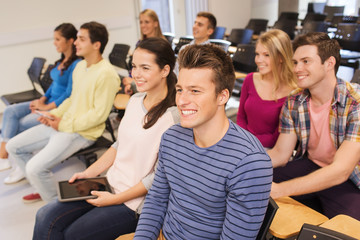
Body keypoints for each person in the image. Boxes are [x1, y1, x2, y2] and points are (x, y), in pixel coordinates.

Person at [33, 37, 179, 240]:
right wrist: (89, 174)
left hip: (134, 204)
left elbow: (157, 178)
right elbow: (119, 145)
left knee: (72, 235)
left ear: (164, 70)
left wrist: (115, 199)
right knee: (45, 216)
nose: (136, 74)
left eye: (145, 68)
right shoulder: (135, 100)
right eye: (134, 66)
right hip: (109, 184)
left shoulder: (173, 118)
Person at [133, 44, 273, 239]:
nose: (181, 101)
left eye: (195, 91)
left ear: (222, 96)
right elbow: (156, 200)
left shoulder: (249, 163)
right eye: (180, 90)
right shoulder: (171, 137)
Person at [6, 21, 120, 203]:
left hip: (82, 132)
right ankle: (42, 187)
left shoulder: (106, 74)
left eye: (82, 39)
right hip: (63, 124)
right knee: (13, 146)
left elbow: (98, 115)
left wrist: (63, 123)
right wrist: (54, 114)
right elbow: (72, 98)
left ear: (96, 45)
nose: (75, 42)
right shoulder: (81, 66)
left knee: (34, 169)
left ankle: (55, 206)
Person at [267, 32, 360, 220]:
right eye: (295, 62)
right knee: (249, 184)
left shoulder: (355, 103)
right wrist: (241, 165)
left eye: (306, 61)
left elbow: (341, 170)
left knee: (349, 230)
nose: (297, 68)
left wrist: (279, 190)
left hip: (348, 178)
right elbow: (280, 153)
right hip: (309, 165)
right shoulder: (294, 99)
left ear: (329, 63)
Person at [0, 23, 81, 184]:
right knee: (10, 111)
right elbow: (53, 86)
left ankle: (16, 162)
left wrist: (46, 108)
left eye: (58, 39)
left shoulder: (76, 64)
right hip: (48, 102)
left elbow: (68, 94)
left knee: (20, 123)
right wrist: (42, 100)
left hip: (58, 108)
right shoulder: (61, 61)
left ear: (70, 40)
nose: (54, 43)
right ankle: (6, 156)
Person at [237, 29, 297, 148]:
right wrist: (242, 140)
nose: (259, 60)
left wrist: (248, 142)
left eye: (266, 55)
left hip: (270, 150)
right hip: (243, 143)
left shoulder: (294, 92)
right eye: (257, 54)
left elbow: (277, 138)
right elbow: (241, 117)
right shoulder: (250, 79)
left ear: (281, 57)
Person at [123, 9, 166, 96]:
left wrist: (132, 83)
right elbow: (135, 66)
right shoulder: (140, 43)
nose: (143, 25)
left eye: (147, 22)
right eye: (141, 22)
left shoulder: (161, 46)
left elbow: (157, 76)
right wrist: (129, 83)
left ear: (155, 23)